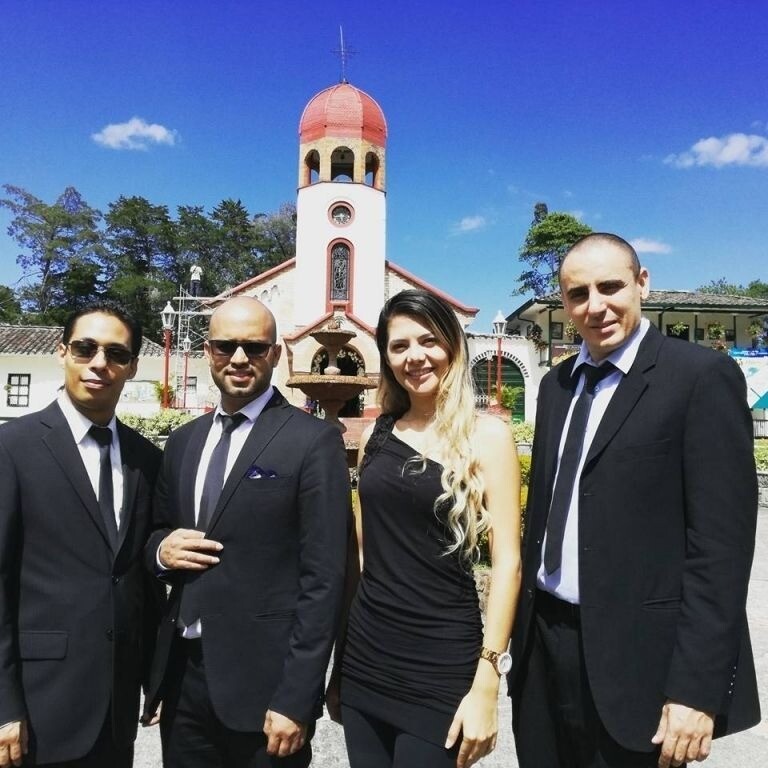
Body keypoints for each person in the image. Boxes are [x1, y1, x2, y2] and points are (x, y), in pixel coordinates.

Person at [510, 233, 760, 768]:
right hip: (544, 650)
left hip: (639, 661)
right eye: (578, 294)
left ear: (642, 283)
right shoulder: (556, 387)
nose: (595, 306)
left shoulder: (699, 378)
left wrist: (696, 688)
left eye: (610, 287)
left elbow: (721, 551)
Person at [144, 296, 350, 768]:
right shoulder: (183, 441)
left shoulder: (312, 441)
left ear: (275, 355)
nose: (239, 358)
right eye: (226, 346)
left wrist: (297, 696)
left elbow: (324, 579)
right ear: (208, 352)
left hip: (266, 686)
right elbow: (156, 532)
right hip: (184, 678)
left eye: (254, 348)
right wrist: (160, 552)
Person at [332, 289, 521, 768]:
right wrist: (340, 659)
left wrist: (487, 681)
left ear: (452, 346)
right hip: (367, 655)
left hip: (442, 661)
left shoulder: (488, 435)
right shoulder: (378, 434)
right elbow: (360, 552)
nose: (414, 356)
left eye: (428, 340)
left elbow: (508, 565)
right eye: (399, 346)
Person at [0, 302, 163, 767]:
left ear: (132, 367)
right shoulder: (12, 448)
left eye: (116, 353)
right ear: (62, 352)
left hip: (115, 712)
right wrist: (4, 705)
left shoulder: (146, 459)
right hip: (37, 706)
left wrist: (156, 679)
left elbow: (141, 582)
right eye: (85, 348)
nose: (99, 363)